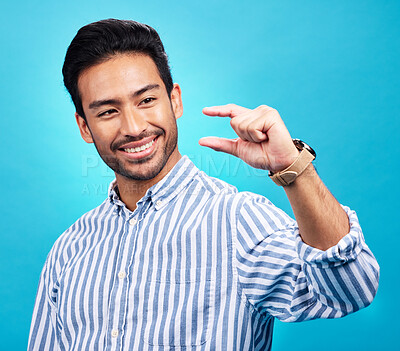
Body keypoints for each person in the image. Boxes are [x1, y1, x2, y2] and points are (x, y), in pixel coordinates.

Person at [28, 19, 379, 351]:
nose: (133, 127)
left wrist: (293, 169)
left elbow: (352, 289)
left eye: (147, 100)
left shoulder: (239, 222)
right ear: (85, 127)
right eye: (108, 111)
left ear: (174, 100)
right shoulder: (69, 250)